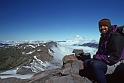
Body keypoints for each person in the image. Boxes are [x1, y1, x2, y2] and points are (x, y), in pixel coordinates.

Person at [84, 18, 124, 83]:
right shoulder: (103, 37)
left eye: (105, 25)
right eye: (100, 26)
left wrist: (97, 57)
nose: (102, 28)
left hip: (116, 62)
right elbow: (100, 51)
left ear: (109, 26)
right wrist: (96, 57)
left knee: (95, 65)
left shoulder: (116, 36)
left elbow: (114, 58)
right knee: (86, 62)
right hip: (107, 59)